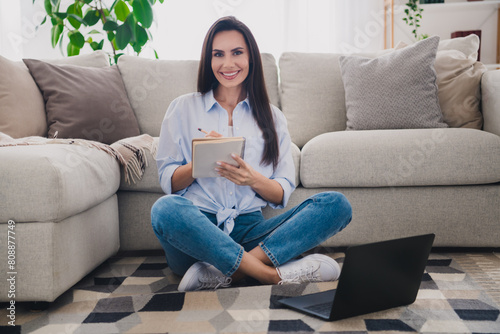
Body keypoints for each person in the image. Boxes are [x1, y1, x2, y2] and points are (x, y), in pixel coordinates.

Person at [151, 16, 352, 292]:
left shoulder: (273, 117)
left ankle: (227, 272)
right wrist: (198, 163)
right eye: (218, 54)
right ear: (208, 61)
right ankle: (269, 275)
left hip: (251, 231)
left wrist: (251, 178)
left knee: (336, 205)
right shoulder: (182, 109)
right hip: (199, 234)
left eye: (237, 53)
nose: (228, 64)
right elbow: (168, 181)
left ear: (251, 58)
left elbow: (281, 192)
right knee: (164, 210)